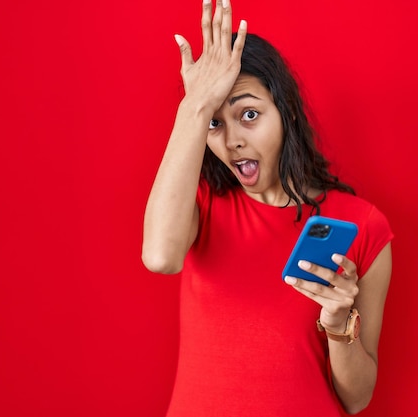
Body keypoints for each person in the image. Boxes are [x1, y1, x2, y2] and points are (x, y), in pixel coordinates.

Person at [142, 0, 393, 415]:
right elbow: (159, 257)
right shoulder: (201, 204)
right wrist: (195, 104)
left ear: (287, 112)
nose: (232, 140)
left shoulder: (362, 225)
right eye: (214, 123)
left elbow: (356, 399)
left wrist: (337, 324)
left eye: (250, 114)